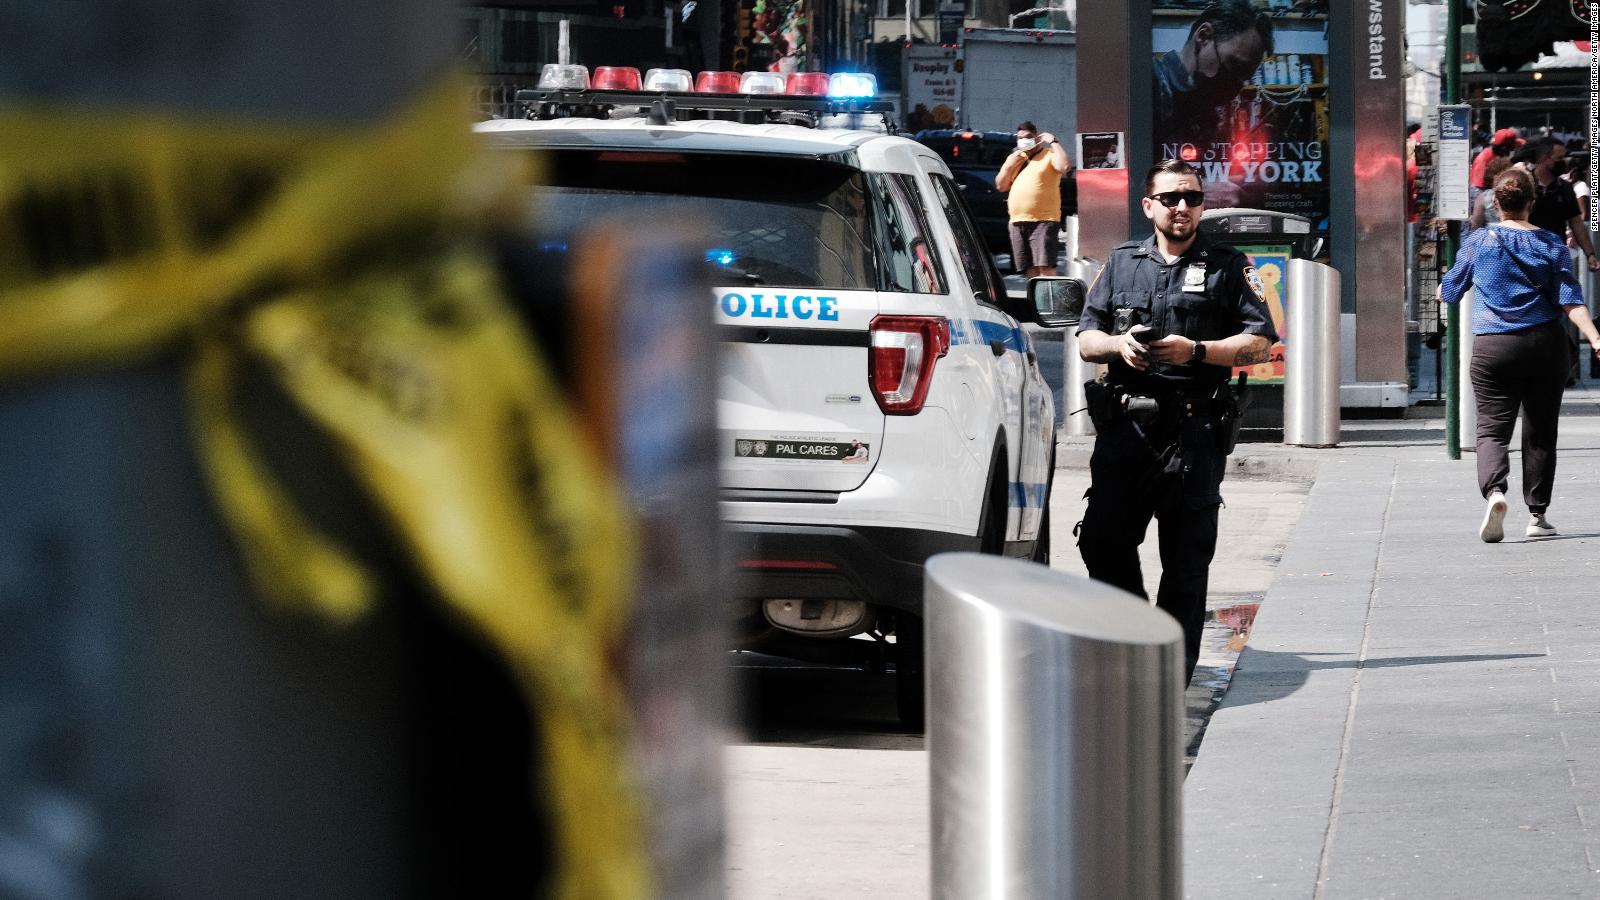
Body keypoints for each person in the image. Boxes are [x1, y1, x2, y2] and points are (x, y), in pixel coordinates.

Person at [1074, 159, 1278, 683]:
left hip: (1194, 435)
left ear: (1202, 205)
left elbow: (1261, 341)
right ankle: (1137, 638)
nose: (1182, 207)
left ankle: (1170, 675)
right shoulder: (1121, 263)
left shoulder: (1229, 266)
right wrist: (1118, 346)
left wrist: (1197, 350)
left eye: (1191, 197)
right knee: (1103, 544)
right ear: (1149, 207)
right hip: (1127, 433)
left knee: (1186, 563)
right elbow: (1085, 338)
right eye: (1170, 198)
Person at [1440, 168, 1600, 543]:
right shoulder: (1551, 244)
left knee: (1492, 428)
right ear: (1532, 202)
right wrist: (1594, 336)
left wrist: (1442, 290)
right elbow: (1569, 299)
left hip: (1495, 346)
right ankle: (1537, 514)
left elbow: (1451, 290)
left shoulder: (1479, 241)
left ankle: (1495, 493)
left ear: (1496, 204)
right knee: (1541, 430)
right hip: (1546, 344)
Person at [1151, 0, 1273, 201]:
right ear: (1203, 36)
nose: (1235, 83)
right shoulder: (1147, 87)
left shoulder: (1204, 113)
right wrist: (1195, 194)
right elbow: (1118, 187)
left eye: (1244, 76)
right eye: (1233, 64)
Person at [995, 120, 1072, 277]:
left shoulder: (1048, 155)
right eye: (1020, 137)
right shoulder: (1016, 158)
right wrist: (1009, 165)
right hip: (1018, 221)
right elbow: (1001, 186)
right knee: (1029, 269)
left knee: (1045, 268)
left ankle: (1048, 300)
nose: (1024, 140)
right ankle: (1034, 301)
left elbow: (1064, 166)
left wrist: (1054, 142)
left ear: (1038, 138)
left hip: (1044, 220)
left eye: (1028, 136)